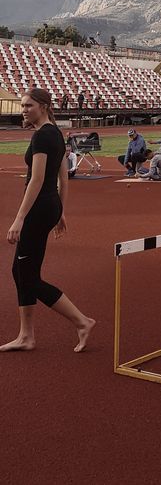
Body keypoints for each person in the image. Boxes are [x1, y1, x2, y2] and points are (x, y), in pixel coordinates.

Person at [1, 88, 94, 353]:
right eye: (22, 106)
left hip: (38, 208)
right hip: (49, 206)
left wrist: (19, 218)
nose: (23, 110)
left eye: (28, 105)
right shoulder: (55, 133)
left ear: (43, 106)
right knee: (20, 271)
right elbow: (63, 177)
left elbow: (38, 179)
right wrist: (60, 211)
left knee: (28, 277)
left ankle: (82, 321)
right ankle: (26, 336)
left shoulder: (43, 136)